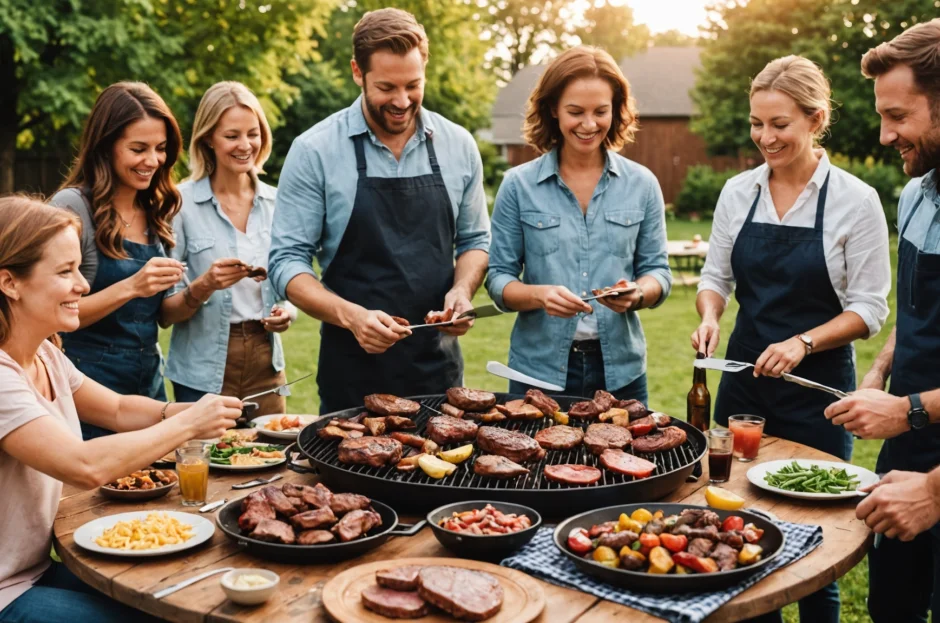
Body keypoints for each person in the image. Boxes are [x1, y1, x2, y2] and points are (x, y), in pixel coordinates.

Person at [691, 56, 891, 622]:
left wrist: (803, 342)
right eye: (757, 124)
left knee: (813, 547)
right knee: (741, 533)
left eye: (779, 124)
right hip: (744, 392)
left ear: (815, 119)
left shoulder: (856, 200)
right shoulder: (739, 191)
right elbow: (715, 279)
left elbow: (870, 308)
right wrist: (710, 315)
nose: (764, 137)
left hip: (817, 391)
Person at [0, 196, 242, 623]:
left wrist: (187, 409)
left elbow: (116, 409)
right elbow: (83, 466)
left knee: (178, 599)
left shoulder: (44, 355)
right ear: (10, 282)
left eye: (78, 268)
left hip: (35, 571)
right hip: (6, 593)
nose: (83, 285)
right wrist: (188, 425)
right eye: (64, 271)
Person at [269, 8, 490, 414]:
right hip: (351, 379)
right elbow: (286, 262)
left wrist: (462, 292)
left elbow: (476, 241)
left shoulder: (459, 145)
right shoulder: (314, 150)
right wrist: (352, 317)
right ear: (357, 71)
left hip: (439, 378)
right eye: (387, 87)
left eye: (413, 85)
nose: (402, 102)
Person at [821, 18, 940, 623]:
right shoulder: (916, 194)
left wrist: (911, 409)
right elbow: (920, 310)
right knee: (891, 606)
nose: (885, 132)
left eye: (898, 115)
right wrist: (880, 372)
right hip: (906, 449)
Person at [486, 46, 671, 403]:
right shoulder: (518, 185)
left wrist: (638, 293)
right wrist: (539, 295)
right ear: (553, 109)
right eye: (576, 112)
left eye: (600, 111)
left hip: (621, 373)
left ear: (616, 110)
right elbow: (498, 280)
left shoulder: (642, 184)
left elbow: (658, 272)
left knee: (627, 459)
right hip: (536, 373)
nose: (589, 125)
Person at [49, 82, 185, 439]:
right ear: (105, 146)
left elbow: (163, 316)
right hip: (86, 387)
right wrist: (132, 286)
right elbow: (53, 316)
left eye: (160, 149)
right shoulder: (72, 207)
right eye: (138, 149)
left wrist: (203, 288)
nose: (152, 161)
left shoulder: (157, 207)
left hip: (148, 382)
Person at [160, 82, 292, 415]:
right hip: (202, 370)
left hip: (267, 363)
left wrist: (286, 312)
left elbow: (290, 282)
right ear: (208, 139)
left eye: (253, 133)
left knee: (273, 457)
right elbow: (163, 313)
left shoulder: (279, 204)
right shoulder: (179, 204)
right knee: (204, 463)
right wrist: (204, 286)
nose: (245, 145)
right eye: (232, 136)